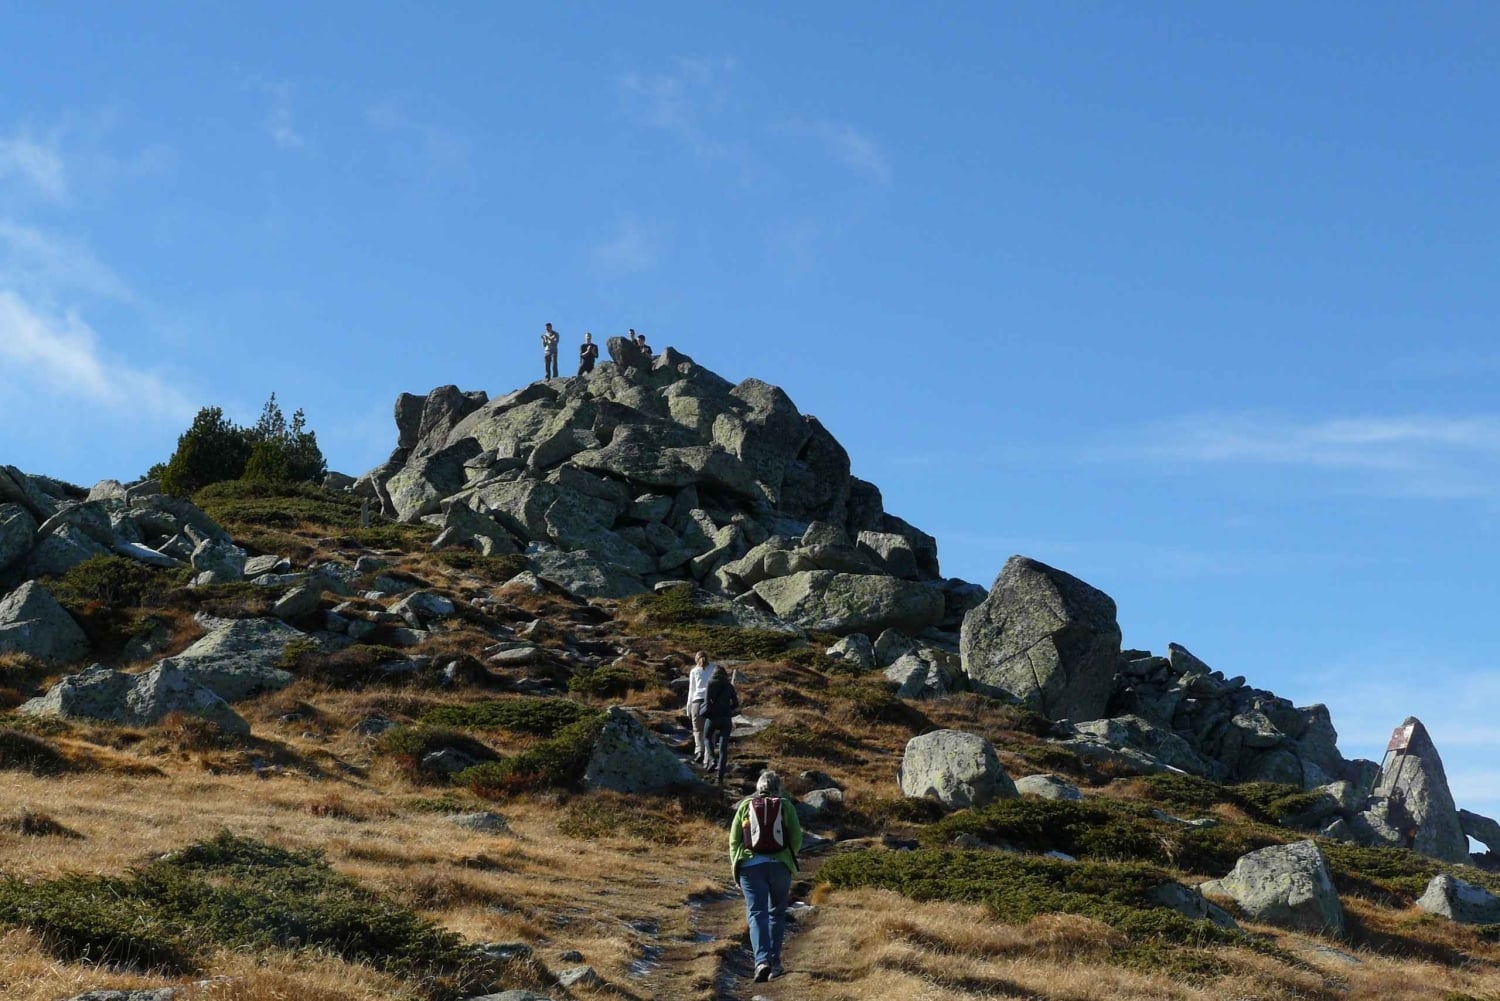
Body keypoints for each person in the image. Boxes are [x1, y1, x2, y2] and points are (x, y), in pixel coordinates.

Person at [729, 769, 802, 982]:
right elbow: (796, 838)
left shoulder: (745, 805)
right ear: (778, 787)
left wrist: (737, 868)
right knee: (776, 913)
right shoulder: (785, 806)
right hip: (780, 866)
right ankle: (775, 963)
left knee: (756, 913)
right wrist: (787, 858)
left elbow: (734, 841)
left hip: (751, 867)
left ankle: (761, 961)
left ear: (758, 787)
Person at [704, 666, 739, 785]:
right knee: (723, 749)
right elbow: (736, 704)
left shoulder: (710, 683)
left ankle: (712, 759)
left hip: (713, 717)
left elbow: (707, 701)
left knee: (707, 737)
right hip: (726, 718)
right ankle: (720, 778)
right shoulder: (729, 686)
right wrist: (728, 710)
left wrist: (707, 713)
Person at [684, 651, 718, 767]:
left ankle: (699, 751)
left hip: (696, 702)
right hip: (711, 702)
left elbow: (691, 690)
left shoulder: (694, 671)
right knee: (711, 732)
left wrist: (688, 707)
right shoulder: (714, 668)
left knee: (697, 730)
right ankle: (708, 758)